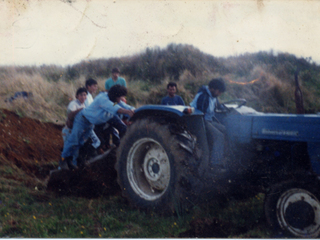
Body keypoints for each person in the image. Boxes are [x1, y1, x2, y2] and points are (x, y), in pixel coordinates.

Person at [60, 85, 135, 170]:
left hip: (90, 123)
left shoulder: (114, 101)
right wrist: (128, 112)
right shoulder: (103, 99)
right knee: (74, 140)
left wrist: (134, 110)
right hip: (82, 120)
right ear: (115, 96)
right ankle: (64, 160)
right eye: (120, 97)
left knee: (82, 141)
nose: (121, 99)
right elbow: (116, 108)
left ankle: (78, 161)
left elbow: (122, 105)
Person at [190, 78, 227, 171]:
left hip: (208, 120)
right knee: (219, 136)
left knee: (225, 129)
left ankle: (222, 156)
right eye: (219, 91)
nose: (219, 94)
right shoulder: (203, 96)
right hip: (199, 121)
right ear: (213, 89)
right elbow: (201, 114)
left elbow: (218, 105)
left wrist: (224, 108)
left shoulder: (213, 96)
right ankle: (215, 164)